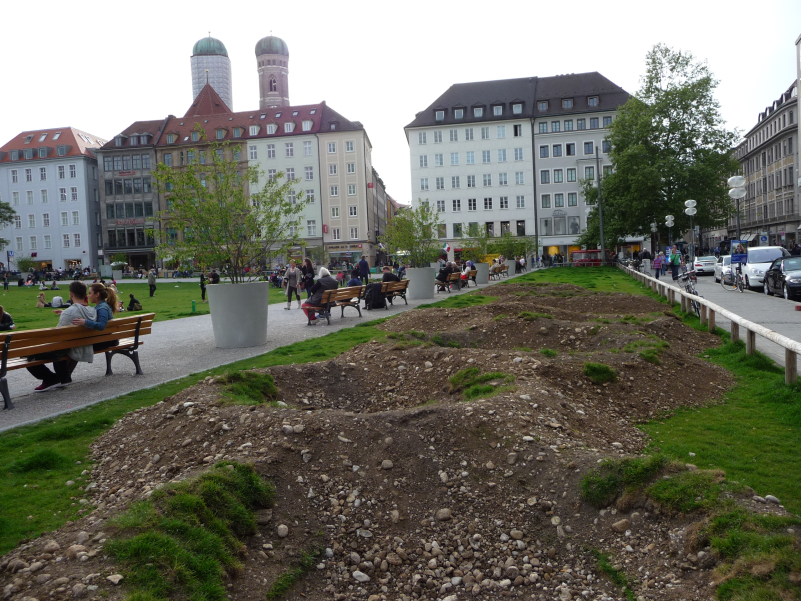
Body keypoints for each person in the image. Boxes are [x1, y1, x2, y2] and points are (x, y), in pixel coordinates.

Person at [26, 281, 97, 392]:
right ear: (85, 294)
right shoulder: (92, 311)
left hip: (65, 347)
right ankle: (64, 378)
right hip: (79, 344)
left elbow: (57, 336)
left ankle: (51, 378)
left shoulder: (69, 313)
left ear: (71, 294)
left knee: (29, 354)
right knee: (62, 346)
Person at [72, 283, 119, 354]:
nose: (88, 296)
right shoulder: (101, 306)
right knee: (74, 346)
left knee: (74, 347)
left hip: (106, 341)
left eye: (90, 293)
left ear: (97, 294)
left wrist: (85, 322)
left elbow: (101, 325)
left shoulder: (102, 308)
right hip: (106, 339)